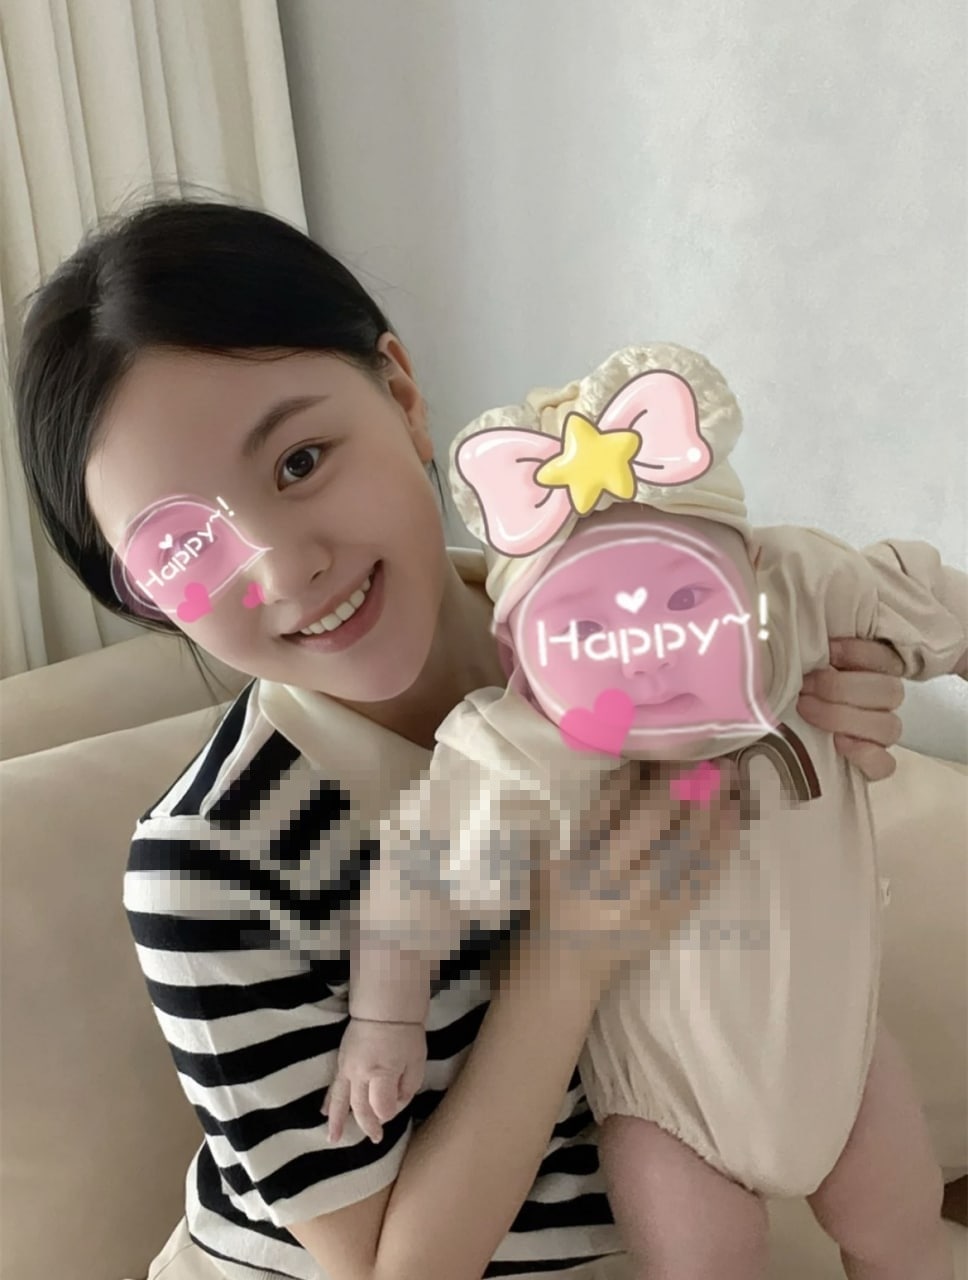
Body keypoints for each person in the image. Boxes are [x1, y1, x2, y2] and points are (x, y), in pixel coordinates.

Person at [11, 200, 916, 1280]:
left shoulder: (648, 624)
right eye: (183, 550)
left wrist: (822, 701)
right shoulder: (208, 864)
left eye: (300, 461)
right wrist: (564, 957)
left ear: (400, 395)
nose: (286, 565)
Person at [335, 344, 964, 1280]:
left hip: (841, 1050)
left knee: (905, 1231)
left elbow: (920, 598)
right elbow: (418, 870)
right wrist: (385, 1019)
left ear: (753, 569)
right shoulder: (523, 750)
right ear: (521, 656)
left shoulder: (798, 597)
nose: (649, 656)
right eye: (588, 631)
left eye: (686, 600)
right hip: (668, 1106)